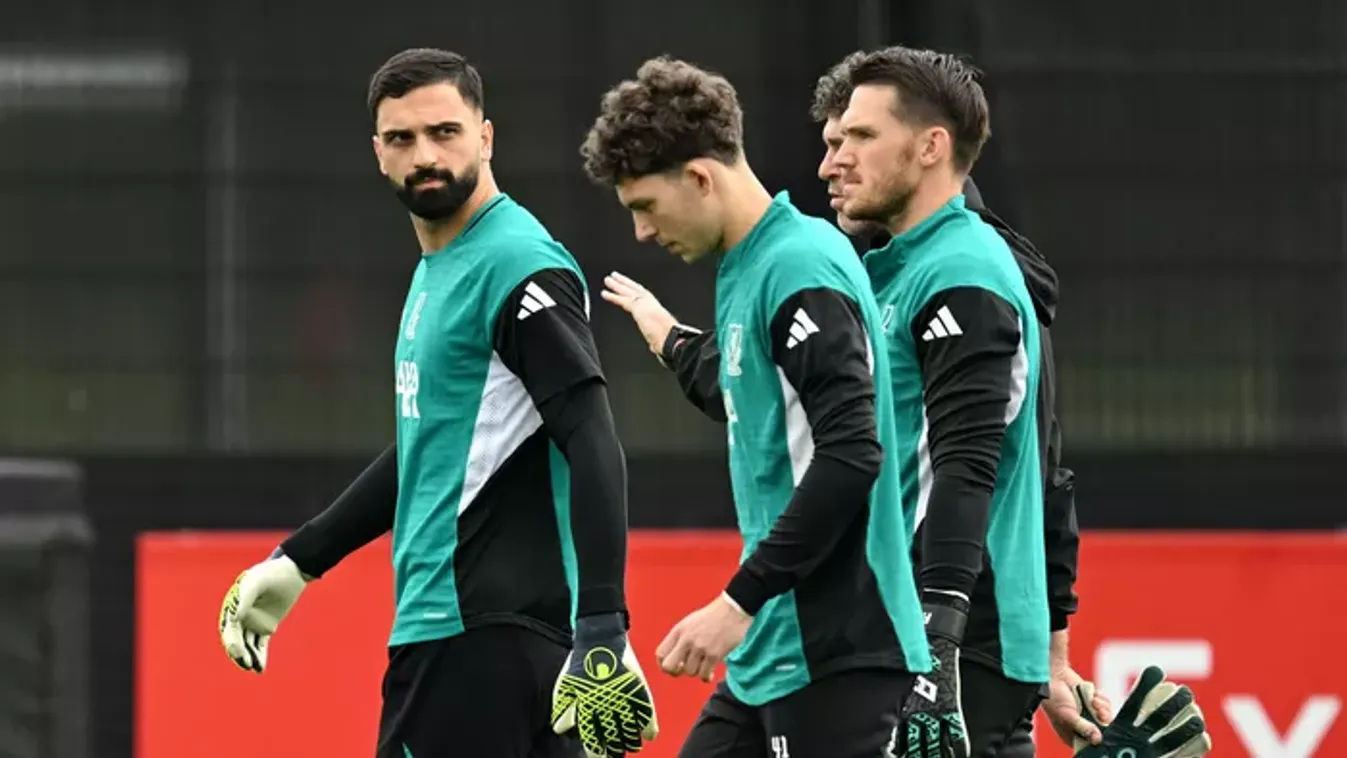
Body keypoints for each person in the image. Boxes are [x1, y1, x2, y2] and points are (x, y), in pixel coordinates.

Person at [215, 48, 657, 758]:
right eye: (402, 138)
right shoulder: (444, 268)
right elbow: (434, 448)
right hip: (479, 640)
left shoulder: (516, 261)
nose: (424, 154)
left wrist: (604, 624)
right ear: (378, 154)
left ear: (485, 137)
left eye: (444, 132)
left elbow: (590, 433)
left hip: (478, 641)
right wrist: (301, 560)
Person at [581, 56, 930, 757]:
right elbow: (757, 399)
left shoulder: (796, 267)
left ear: (699, 178)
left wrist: (736, 602)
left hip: (836, 653)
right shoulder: (753, 264)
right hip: (775, 652)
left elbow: (851, 453)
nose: (642, 232)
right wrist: (672, 341)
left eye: (644, 206)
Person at [810, 50, 1110, 757]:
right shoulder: (897, 267)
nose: (831, 164)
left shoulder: (965, 272)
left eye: (857, 137)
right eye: (833, 140)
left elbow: (1005, 467)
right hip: (919, 629)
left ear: (930, 146)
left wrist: (944, 640)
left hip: (950, 635)